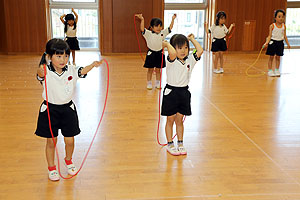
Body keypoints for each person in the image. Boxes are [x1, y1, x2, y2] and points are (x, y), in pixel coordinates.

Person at [35, 38, 102, 181]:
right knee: (51, 142)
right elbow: (40, 74)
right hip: (49, 110)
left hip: (68, 110)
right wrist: (41, 69)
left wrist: (93, 65)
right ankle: (52, 168)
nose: (63, 59)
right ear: (49, 57)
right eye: (58, 56)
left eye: (66, 56)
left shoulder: (71, 69)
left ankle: (69, 160)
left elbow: (82, 70)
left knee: (70, 141)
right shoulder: (45, 71)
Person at [161, 33, 203, 156]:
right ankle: (170, 143)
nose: (183, 51)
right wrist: (167, 44)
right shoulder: (171, 60)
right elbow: (173, 53)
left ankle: (180, 143)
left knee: (179, 120)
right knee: (170, 119)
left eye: (185, 47)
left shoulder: (190, 59)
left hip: (184, 93)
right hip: (171, 92)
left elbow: (199, 50)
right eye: (179, 48)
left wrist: (192, 39)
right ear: (174, 48)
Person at [135, 13, 176, 89]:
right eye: (156, 26)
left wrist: (173, 19)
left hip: (160, 53)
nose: (159, 28)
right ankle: (149, 83)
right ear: (152, 27)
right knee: (150, 70)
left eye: (160, 26)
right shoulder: (148, 34)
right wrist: (142, 19)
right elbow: (142, 29)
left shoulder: (162, 33)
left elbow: (170, 28)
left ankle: (158, 83)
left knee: (158, 70)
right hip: (151, 54)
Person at [263, 9, 291, 77]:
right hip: (273, 42)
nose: (281, 18)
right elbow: (269, 36)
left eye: (282, 17)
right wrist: (266, 43)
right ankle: (270, 70)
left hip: (280, 43)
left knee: (278, 57)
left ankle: (277, 69)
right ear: (275, 18)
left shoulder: (284, 26)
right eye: (279, 16)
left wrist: (288, 44)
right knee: (271, 57)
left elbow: (285, 36)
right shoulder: (272, 26)